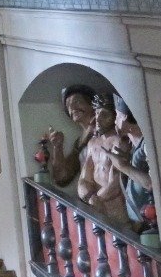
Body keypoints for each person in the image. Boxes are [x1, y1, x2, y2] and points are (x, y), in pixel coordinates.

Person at [77, 93, 129, 224]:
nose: (98, 119)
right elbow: (84, 178)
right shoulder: (92, 143)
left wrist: (96, 199)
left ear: (114, 118)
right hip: (96, 205)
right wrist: (89, 197)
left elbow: (116, 184)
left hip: (116, 209)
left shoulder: (120, 142)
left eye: (104, 114)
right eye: (97, 113)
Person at [105, 94, 155, 226]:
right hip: (140, 222)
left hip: (152, 222)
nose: (115, 121)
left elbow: (153, 184)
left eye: (117, 116)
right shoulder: (133, 146)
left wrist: (123, 166)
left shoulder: (148, 145)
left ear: (125, 117)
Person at [45, 84, 96, 187]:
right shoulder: (79, 142)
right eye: (68, 105)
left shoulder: (107, 132)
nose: (72, 108)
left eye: (77, 101)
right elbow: (62, 178)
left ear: (92, 105)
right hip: (88, 199)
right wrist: (57, 147)